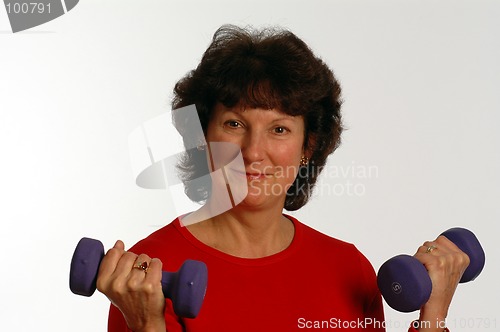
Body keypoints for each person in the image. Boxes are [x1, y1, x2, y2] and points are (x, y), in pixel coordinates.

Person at [97, 25, 470, 332]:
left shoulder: (348, 268)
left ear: (308, 145)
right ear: (202, 138)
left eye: (279, 129)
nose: (253, 151)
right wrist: (146, 326)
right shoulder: (145, 275)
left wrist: (432, 318)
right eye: (234, 123)